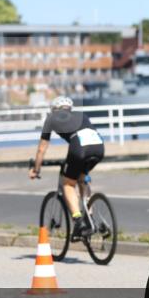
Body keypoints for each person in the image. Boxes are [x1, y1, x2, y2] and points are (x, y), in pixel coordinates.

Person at [29, 96, 105, 238]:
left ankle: (78, 220)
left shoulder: (51, 118)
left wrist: (36, 169)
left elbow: (42, 148)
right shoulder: (81, 115)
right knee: (82, 179)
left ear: (54, 109)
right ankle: (90, 218)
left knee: (68, 184)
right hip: (99, 147)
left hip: (79, 148)